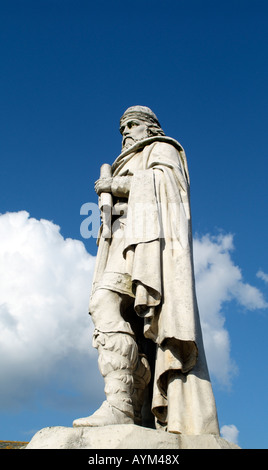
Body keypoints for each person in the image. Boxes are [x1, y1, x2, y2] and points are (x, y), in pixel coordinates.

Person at [73, 106, 220, 435]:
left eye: (133, 124)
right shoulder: (124, 160)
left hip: (150, 244)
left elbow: (165, 185)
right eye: (122, 126)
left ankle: (121, 404)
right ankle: (127, 400)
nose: (126, 131)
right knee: (104, 306)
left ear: (150, 127)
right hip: (123, 240)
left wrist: (117, 184)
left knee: (106, 303)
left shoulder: (162, 148)